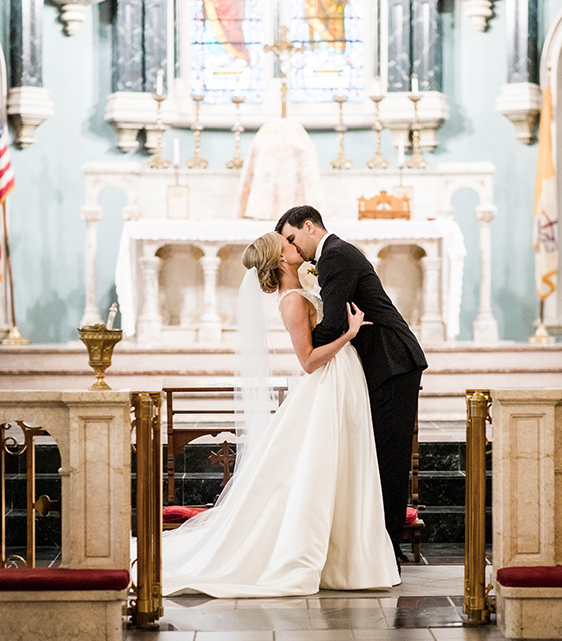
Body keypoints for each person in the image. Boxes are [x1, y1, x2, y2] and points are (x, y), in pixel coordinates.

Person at [161, 230, 400, 598]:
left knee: (346, 462)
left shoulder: (302, 289)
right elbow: (307, 361)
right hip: (326, 381)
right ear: (283, 257)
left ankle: (351, 557)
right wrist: (348, 335)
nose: (296, 246)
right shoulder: (291, 301)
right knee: (322, 467)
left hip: (341, 378)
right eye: (289, 243)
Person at [276, 206, 427, 568]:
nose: (293, 248)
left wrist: (310, 345)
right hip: (381, 363)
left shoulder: (335, 256)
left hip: (391, 362)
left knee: (390, 457)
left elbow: (330, 323)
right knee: (378, 453)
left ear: (309, 226)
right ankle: (380, 540)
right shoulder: (333, 255)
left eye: (293, 238)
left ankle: (388, 546)